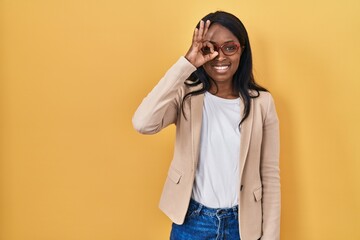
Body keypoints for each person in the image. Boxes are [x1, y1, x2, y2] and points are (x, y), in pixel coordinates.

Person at [132, 11, 280, 240]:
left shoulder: (262, 103)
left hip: (241, 226)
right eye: (210, 48)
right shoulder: (186, 95)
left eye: (229, 47)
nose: (220, 57)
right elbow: (142, 123)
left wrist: (270, 237)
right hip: (192, 222)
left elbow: (269, 175)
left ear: (242, 50)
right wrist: (187, 63)